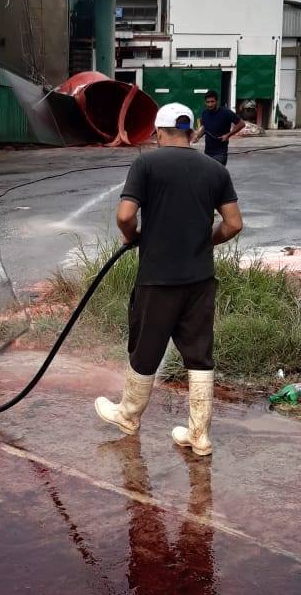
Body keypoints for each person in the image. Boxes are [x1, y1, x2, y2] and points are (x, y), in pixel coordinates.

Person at [94, 103, 243, 456]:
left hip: (158, 278)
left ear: (159, 133)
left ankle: (129, 415)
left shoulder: (146, 163)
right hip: (200, 280)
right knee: (198, 355)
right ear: (191, 132)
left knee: (146, 349)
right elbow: (234, 224)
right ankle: (200, 436)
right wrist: (206, 240)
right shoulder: (213, 169)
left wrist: (132, 236)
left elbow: (125, 215)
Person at [192, 91, 245, 166]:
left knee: (217, 175)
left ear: (217, 101)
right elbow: (205, 127)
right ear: (205, 102)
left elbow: (241, 124)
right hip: (208, 152)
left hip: (220, 153)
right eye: (208, 102)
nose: (210, 104)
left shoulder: (226, 112)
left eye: (212, 101)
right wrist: (198, 137)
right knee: (208, 174)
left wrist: (228, 135)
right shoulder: (204, 113)